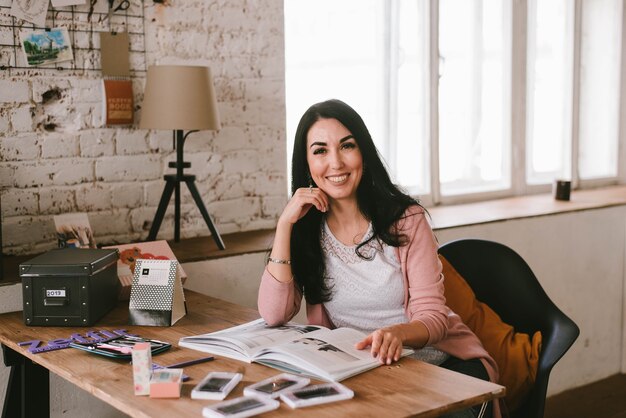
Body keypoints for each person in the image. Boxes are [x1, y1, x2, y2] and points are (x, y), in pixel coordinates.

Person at [258, 99, 500, 418]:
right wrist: (285, 225)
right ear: (305, 163)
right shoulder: (306, 230)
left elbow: (435, 319)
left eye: (347, 146)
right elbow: (274, 315)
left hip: (442, 367)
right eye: (320, 150)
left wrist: (398, 333)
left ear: (364, 153)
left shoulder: (406, 220)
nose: (336, 163)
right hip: (366, 373)